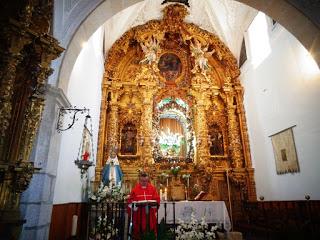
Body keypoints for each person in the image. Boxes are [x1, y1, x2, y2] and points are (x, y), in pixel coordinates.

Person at [127, 171, 160, 239]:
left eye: (145, 181)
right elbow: (130, 202)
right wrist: (135, 206)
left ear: (148, 180)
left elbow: (157, 200)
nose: (144, 182)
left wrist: (154, 204)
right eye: (142, 181)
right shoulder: (135, 189)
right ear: (139, 180)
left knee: (150, 230)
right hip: (139, 214)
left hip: (150, 215)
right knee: (139, 233)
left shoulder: (152, 189)